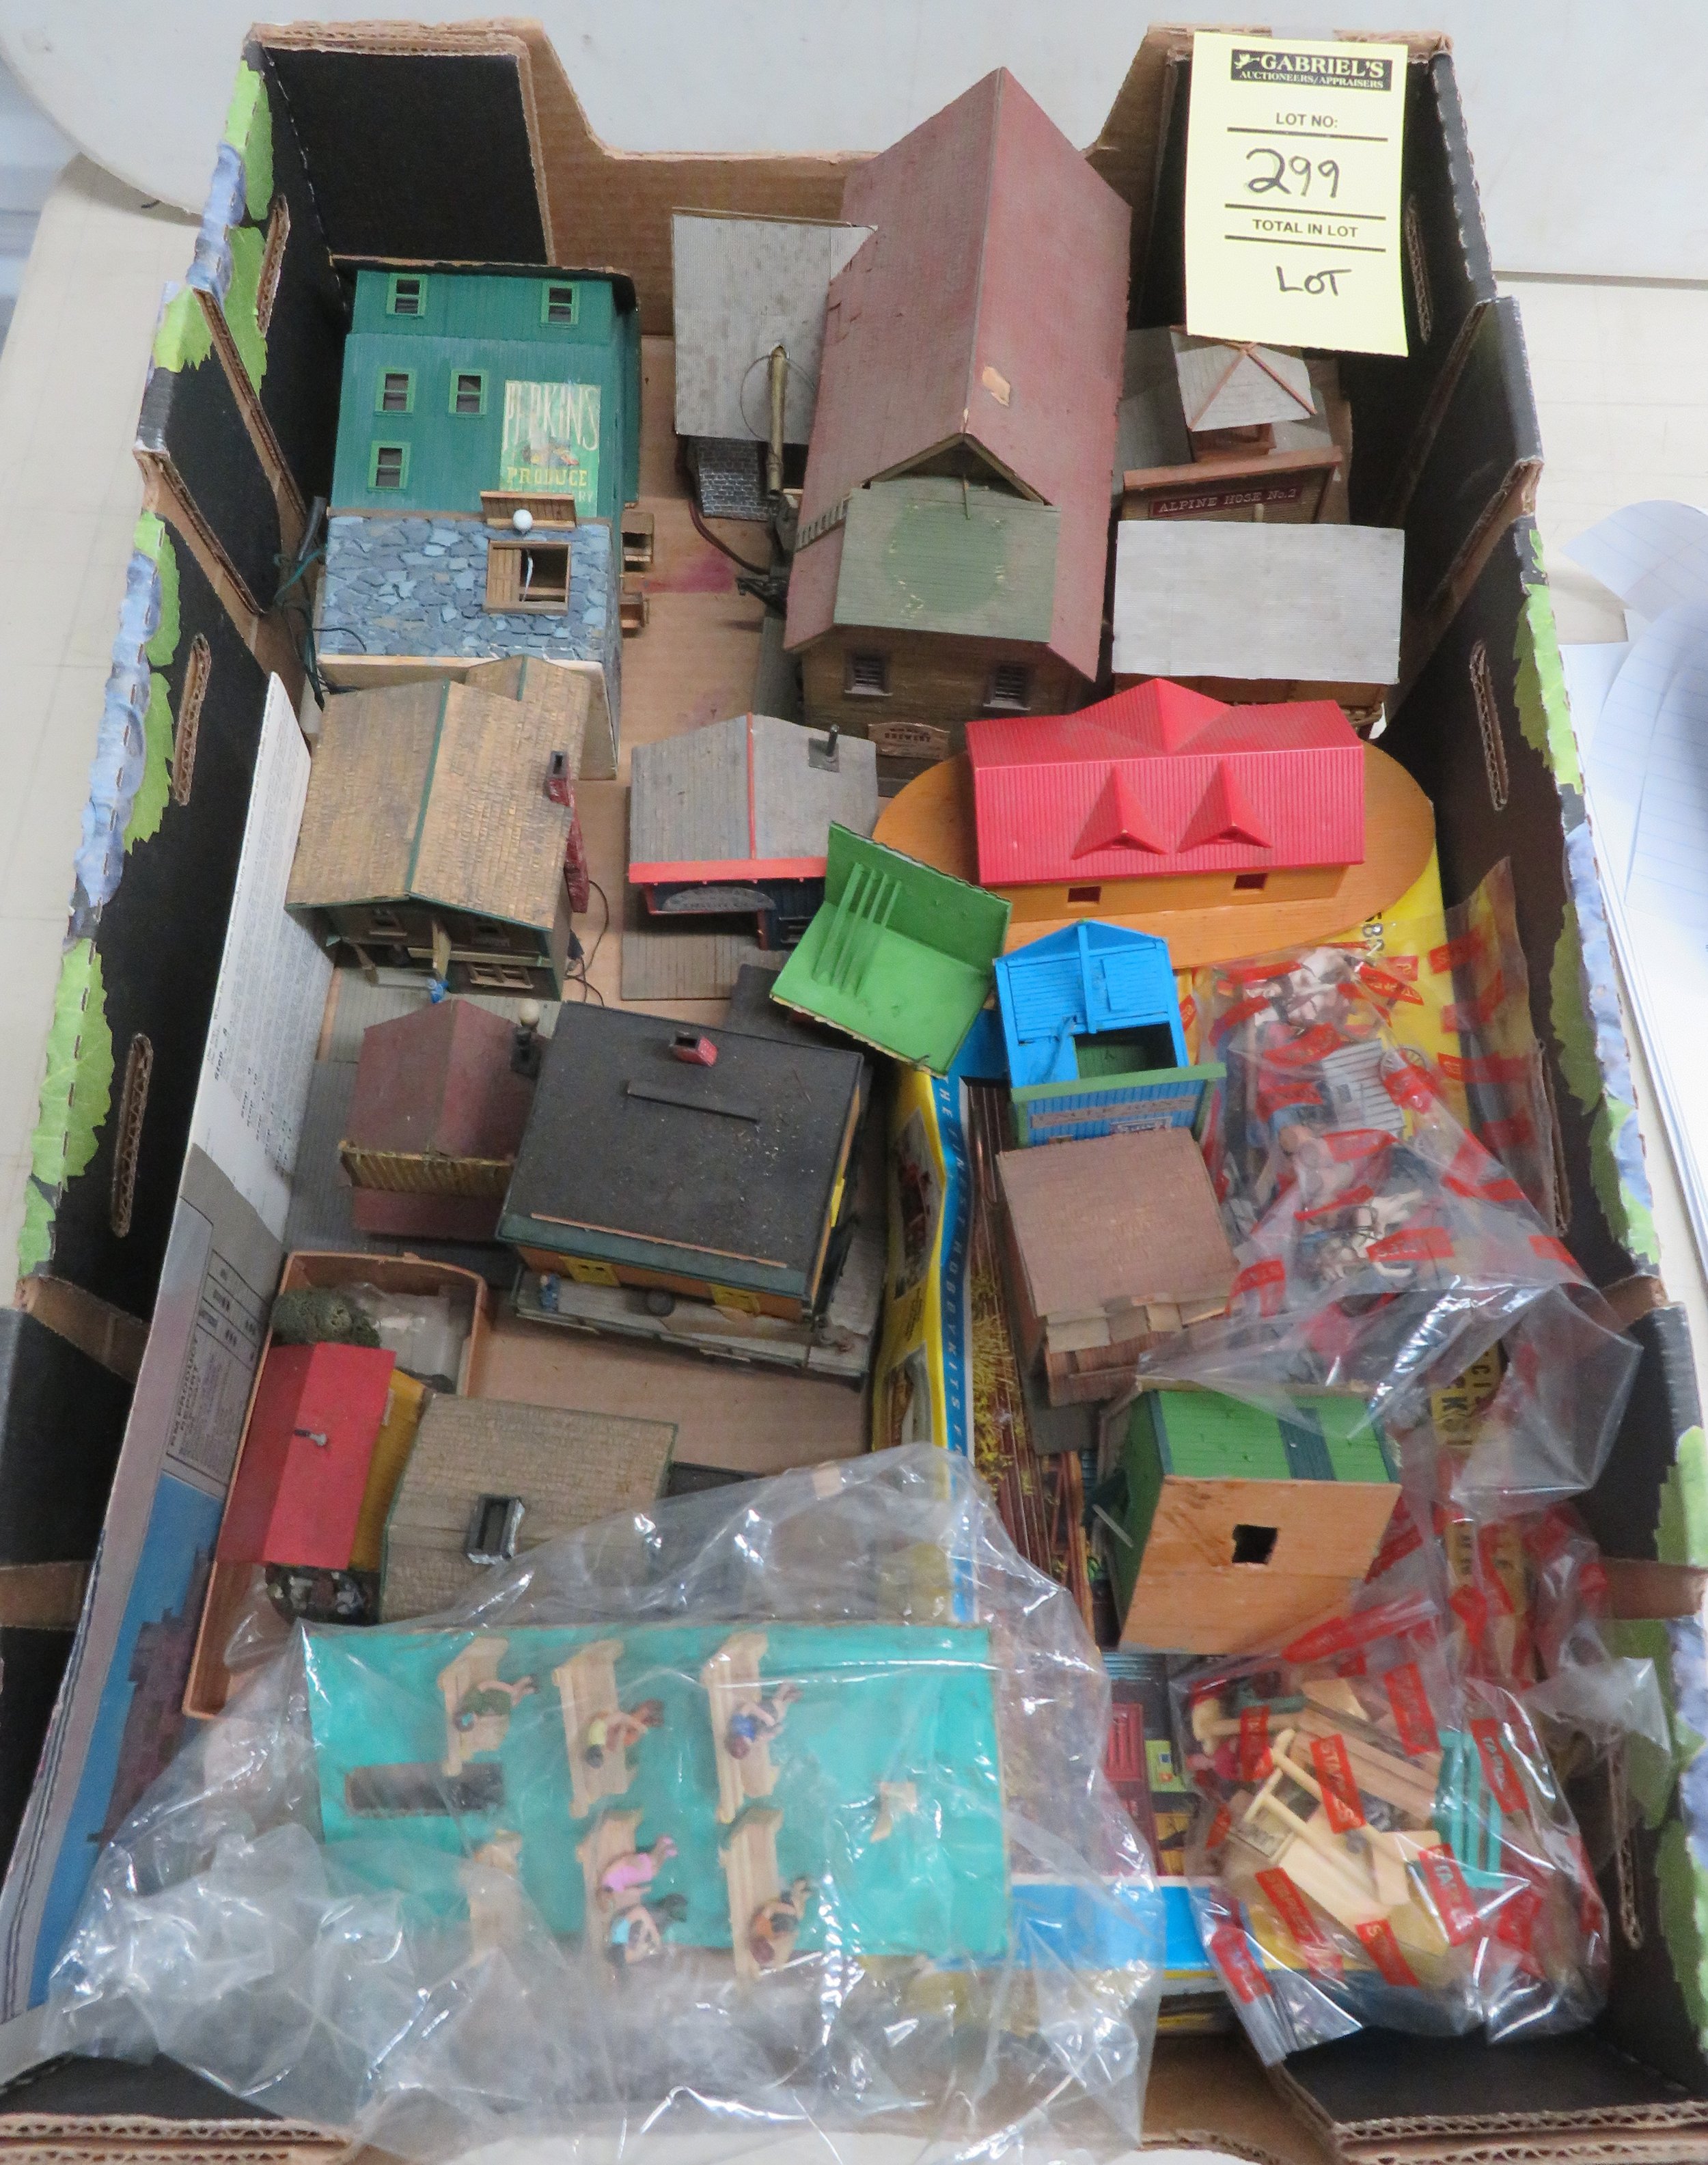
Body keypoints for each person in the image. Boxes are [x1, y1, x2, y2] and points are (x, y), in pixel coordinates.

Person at [606, 1892, 687, 1968]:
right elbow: (639, 1951)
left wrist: (653, 1933)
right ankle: (671, 1914)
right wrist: (645, 1939)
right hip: (636, 1929)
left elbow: (640, 1911)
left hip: (636, 1917)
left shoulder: (619, 1933)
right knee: (661, 1924)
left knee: (660, 1915)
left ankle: (671, 1906)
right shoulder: (628, 1956)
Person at [747, 1878, 814, 1971]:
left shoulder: (760, 1927)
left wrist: (787, 1909)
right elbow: (787, 1939)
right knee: (799, 1916)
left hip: (778, 1911)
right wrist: (791, 1936)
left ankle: (796, 1891)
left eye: (773, 1942)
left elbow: (771, 1908)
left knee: (795, 1910)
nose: (776, 1942)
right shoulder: (771, 1948)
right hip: (779, 1924)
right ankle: (801, 1898)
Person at [726, 1679, 801, 1761]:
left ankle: (784, 1688)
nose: (749, 1741)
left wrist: (765, 1716)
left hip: (757, 1714)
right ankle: (788, 1699)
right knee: (779, 1724)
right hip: (758, 1724)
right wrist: (767, 1736)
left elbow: (748, 1706)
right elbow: (758, 1738)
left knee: (777, 1711)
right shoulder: (749, 1740)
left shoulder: (738, 1726)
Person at [598, 1832, 678, 1905]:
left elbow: (622, 1862)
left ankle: (662, 1843)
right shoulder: (614, 1889)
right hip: (637, 1875)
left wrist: (632, 1861)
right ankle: (665, 1852)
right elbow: (629, 1890)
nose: (610, 1898)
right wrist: (642, 1890)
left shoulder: (607, 1877)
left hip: (633, 1866)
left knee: (652, 1861)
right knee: (654, 1870)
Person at [583, 1698, 664, 1769]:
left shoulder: (632, 1734)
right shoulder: (631, 1721)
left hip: (609, 1735)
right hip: (608, 1731)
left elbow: (614, 1745)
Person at [454, 1674, 536, 1733]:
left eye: (474, 1721)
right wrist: (498, 1714)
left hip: (495, 1693)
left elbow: (486, 1685)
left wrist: (507, 1688)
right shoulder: (476, 1715)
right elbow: (487, 1714)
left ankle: (527, 1679)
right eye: (474, 1723)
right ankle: (525, 1691)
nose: (476, 1721)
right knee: (514, 1703)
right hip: (495, 1704)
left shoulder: (471, 1700)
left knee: (514, 1691)